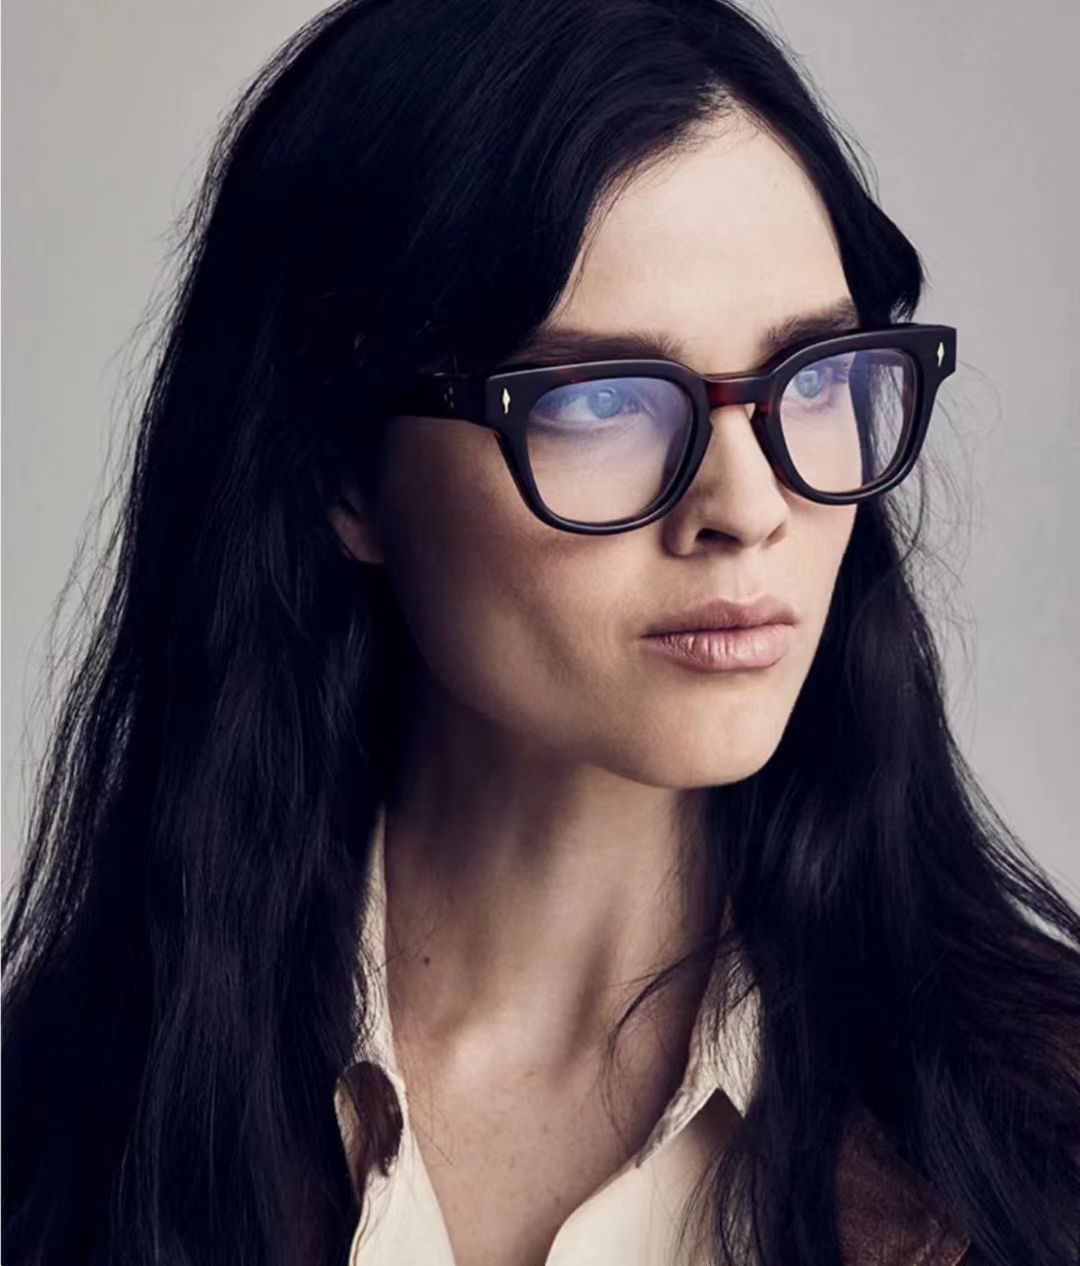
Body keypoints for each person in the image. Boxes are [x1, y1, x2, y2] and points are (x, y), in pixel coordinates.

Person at [3, 1, 1078, 1263]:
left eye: (818, 375)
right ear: (344, 470)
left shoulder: (1042, 1133)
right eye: (604, 401)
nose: (747, 507)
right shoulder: (55, 1132)